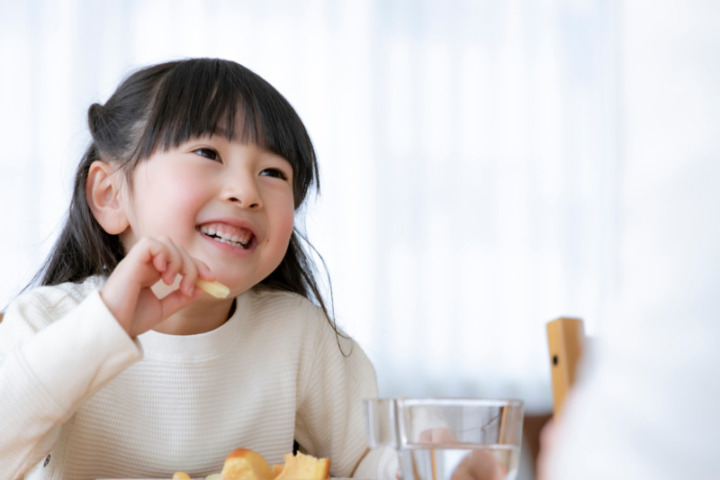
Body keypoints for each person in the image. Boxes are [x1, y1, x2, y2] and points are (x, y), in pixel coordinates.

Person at [0, 58, 389, 480]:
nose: (246, 192)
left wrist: (431, 461)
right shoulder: (43, 321)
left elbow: (372, 458)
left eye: (273, 172)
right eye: (208, 153)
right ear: (110, 195)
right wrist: (107, 323)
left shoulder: (298, 335)